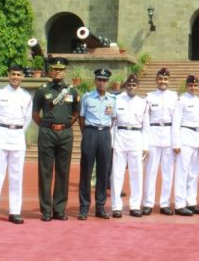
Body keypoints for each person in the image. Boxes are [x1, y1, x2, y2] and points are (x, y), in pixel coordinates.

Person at [0, 64, 32, 225]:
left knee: (16, 177)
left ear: (22, 77)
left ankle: (15, 212)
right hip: (0, 135)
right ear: (8, 75)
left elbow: (27, 119)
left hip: (17, 136)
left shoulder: (26, 96)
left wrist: (18, 132)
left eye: (18, 74)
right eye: (13, 74)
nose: (15, 77)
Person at [32, 56, 79, 221]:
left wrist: (64, 125)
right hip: (47, 134)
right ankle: (46, 209)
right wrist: (46, 126)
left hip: (65, 135)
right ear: (50, 70)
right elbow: (35, 114)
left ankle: (59, 209)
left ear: (65, 71)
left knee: (63, 171)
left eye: (61, 69)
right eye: (55, 69)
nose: (58, 72)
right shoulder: (42, 90)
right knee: (45, 171)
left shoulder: (72, 91)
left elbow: (75, 113)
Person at [77, 68, 115, 220]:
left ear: (108, 82)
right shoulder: (87, 97)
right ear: (95, 81)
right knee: (86, 170)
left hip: (105, 134)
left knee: (103, 171)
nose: (102, 83)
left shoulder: (112, 99)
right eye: (99, 79)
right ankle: (84, 208)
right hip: (90, 132)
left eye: (104, 80)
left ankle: (100, 207)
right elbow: (81, 118)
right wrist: (87, 133)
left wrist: (103, 131)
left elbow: (112, 119)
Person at [111, 73, 149, 218]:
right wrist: (112, 142)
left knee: (136, 173)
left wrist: (146, 146)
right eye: (129, 85)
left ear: (138, 87)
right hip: (120, 136)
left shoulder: (143, 103)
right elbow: (113, 123)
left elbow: (146, 127)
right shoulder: (117, 100)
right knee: (117, 173)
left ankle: (135, 206)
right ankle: (116, 206)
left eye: (134, 85)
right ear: (125, 87)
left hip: (136, 138)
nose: (131, 87)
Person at [143, 67, 178, 215]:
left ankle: (164, 203)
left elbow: (177, 121)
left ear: (169, 80)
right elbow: (145, 121)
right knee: (150, 171)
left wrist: (176, 141)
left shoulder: (175, 97)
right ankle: (147, 203)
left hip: (169, 135)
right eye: (160, 79)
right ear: (156, 80)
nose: (163, 81)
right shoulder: (149, 97)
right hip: (153, 133)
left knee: (167, 171)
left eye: (165, 79)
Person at [173, 74, 199, 216]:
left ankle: (191, 202)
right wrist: (176, 142)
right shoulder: (181, 100)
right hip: (184, 137)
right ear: (186, 86)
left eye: (195, 85)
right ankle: (180, 204)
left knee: (194, 173)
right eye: (191, 85)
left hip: (196, 139)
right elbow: (176, 122)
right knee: (182, 172)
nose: (193, 88)